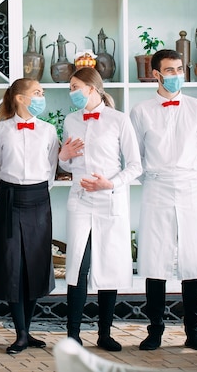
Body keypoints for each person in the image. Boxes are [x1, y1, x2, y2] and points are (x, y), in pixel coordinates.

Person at [130, 49, 197, 352]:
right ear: (156, 74)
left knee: (193, 257)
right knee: (155, 258)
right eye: (170, 70)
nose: (176, 75)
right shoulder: (140, 111)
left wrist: (188, 173)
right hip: (156, 186)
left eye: (179, 69)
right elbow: (135, 156)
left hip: (190, 186)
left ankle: (194, 330)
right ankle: (155, 330)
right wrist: (155, 177)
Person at [58, 67, 142, 351]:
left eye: (75, 86)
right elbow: (68, 165)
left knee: (109, 265)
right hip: (80, 199)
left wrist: (110, 183)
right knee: (76, 266)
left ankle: (105, 333)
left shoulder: (119, 120)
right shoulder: (71, 120)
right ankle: (73, 334)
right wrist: (64, 157)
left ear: (92, 89)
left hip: (109, 200)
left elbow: (135, 165)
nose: (72, 92)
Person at [0, 78, 59, 354]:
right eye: (37, 93)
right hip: (10, 198)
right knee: (13, 265)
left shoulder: (49, 131)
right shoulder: (0, 130)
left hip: (39, 198)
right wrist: (9, 192)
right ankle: (19, 333)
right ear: (19, 98)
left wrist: (37, 190)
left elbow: (51, 169)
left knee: (36, 265)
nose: (42, 96)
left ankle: (27, 332)